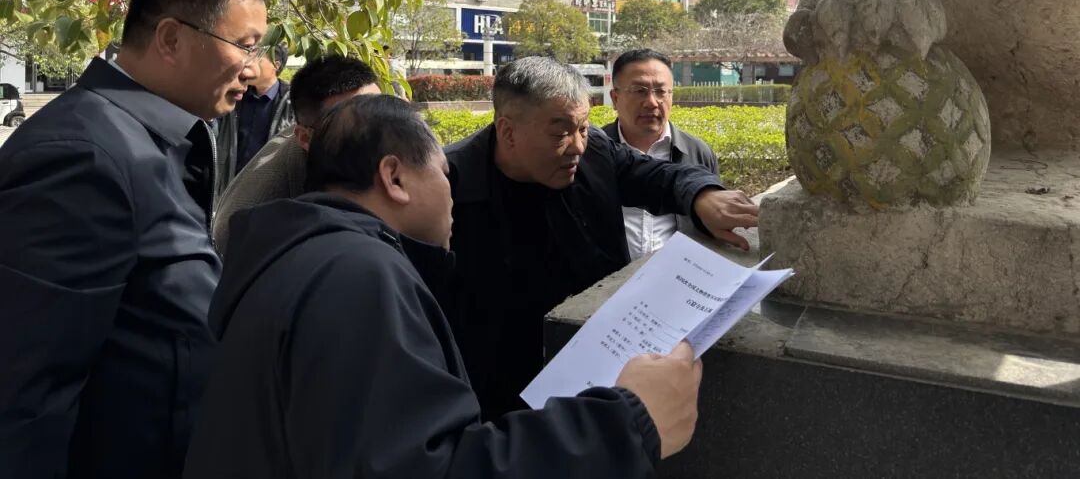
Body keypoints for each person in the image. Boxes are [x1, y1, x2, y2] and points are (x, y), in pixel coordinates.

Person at [184, 95, 702, 478]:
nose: (452, 190)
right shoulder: (359, 277)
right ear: (394, 178)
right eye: (440, 172)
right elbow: (421, 466)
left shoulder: (296, 259)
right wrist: (626, 422)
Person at [0, 0, 273, 479]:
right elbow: (24, 396)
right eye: (244, 47)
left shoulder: (161, 138)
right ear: (171, 38)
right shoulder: (81, 157)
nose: (253, 70)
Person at [446, 56, 759, 419]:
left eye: (583, 127)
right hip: (501, 393)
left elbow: (658, 176)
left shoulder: (595, 149)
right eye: (560, 133)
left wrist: (702, 196)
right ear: (508, 131)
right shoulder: (451, 183)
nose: (578, 146)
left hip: (602, 364)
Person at [212, 55, 381, 256]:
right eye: (356, 127)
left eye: (381, 110)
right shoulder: (259, 212)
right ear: (305, 138)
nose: (382, 130)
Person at [606, 49, 721, 260]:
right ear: (615, 98)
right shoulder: (593, 152)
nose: (651, 102)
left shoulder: (697, 153)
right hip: (610, 278)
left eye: (661, 91)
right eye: (639, 90)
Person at [214, 43, 292, 192]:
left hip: (268, 190)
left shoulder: (291, 101)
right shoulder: (235, 95)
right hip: (230, 186)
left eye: (258, 59)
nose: (249, 65)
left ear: (276, 65)